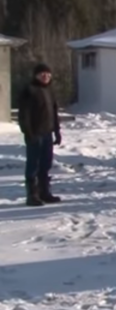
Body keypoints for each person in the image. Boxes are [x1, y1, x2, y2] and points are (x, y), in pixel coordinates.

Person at [17, 63, 62, 207]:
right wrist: (28, 132)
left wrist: (57, 131)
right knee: (33, 165)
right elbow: (24, 114)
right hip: (35, 133)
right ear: (36, 75)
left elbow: (54, 113)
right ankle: (32, 195)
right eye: (42, 74)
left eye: (48, 75)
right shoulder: (30, 90)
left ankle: (44, 192)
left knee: (45, 164)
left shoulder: (49, 91)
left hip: (47, 133)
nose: (46, 77)